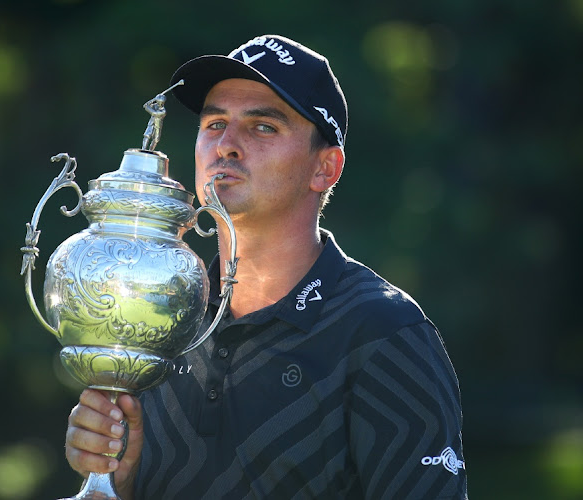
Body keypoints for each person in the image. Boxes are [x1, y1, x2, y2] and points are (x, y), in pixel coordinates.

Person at [65, 34, 468, 499]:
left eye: (262, 128)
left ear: (326, 169)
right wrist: (118, 483)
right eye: (215, 123)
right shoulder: (160, 311)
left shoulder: (386, 332)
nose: (227, 145)